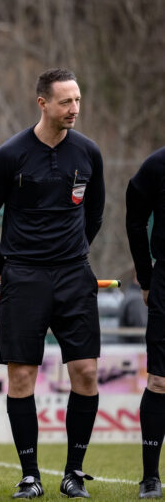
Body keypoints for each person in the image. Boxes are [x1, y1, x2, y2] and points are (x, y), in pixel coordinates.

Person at [0, 68, 105, 499]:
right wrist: (4, 268)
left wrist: (74, 254)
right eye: (66, 101)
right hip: (24, 277)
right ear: (42, 103)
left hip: (74, 275)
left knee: (86, 372)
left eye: (78, 99)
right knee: (22, 377)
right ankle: (30, 476)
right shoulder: (10, 155)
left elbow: (95, 213)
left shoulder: (88, 152)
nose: (75, 108)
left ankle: (73, 473)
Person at [126, 146, 165, 499]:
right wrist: (146, 277)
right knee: (160, 381)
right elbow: (135, 220)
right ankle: (150, 477)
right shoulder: (156, 165)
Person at [118, 276, 147, 344]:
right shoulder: (137, 299)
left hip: (128, 347)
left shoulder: (131, 294)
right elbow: (141, 332)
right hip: (136, 348)